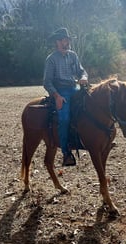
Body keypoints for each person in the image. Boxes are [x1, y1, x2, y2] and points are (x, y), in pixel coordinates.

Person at [43, 28, 88, 166]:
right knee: (64, 119)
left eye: (68, 40)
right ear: (57, 42)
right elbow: (47, 82)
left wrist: (84, 77)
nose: (67, 42)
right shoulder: (51, 59)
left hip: (74, 88)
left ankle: (97, 138)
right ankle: (66, 153)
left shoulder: (73, 55)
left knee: (91, 105)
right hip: (61, 91)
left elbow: (81, 71)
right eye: (64, 40)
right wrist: (57, 96)